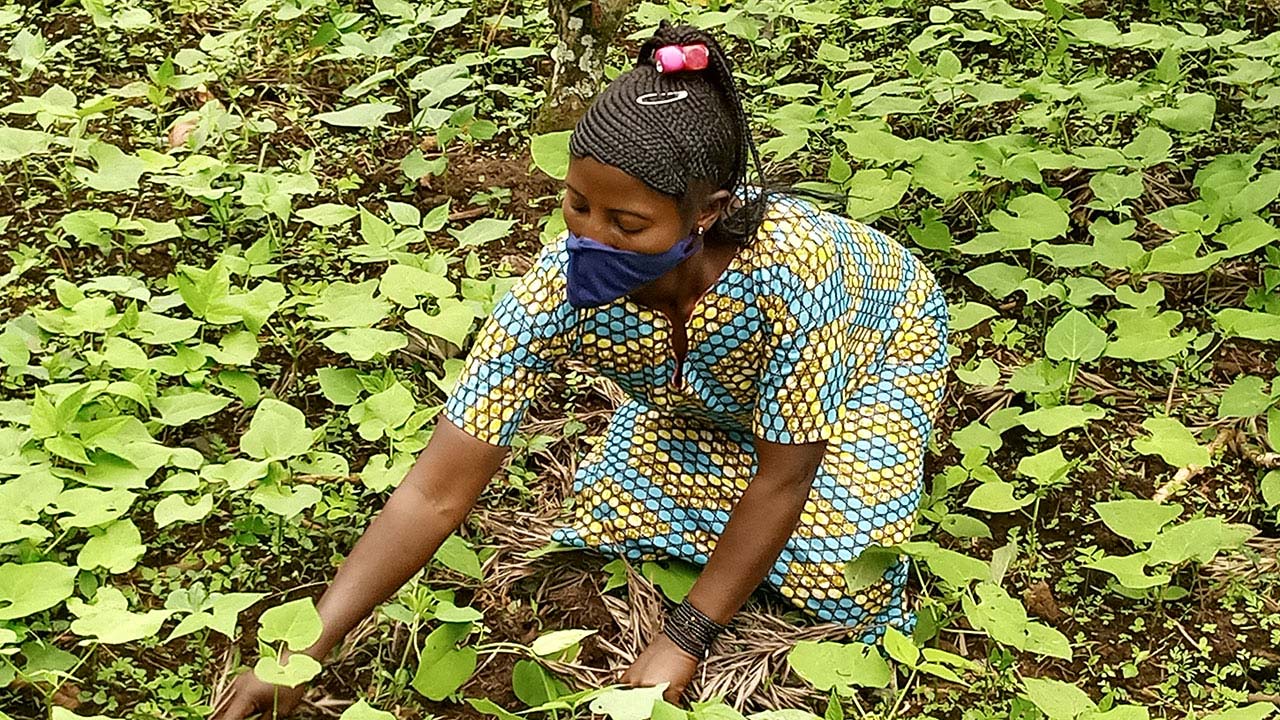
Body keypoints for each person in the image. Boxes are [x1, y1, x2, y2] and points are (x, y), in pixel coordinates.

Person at [211, 21, 949, 719]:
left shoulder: (795, 272)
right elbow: (437, 489)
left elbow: (785, 475)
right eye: (577, 206)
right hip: (709, 393)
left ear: (706, 212)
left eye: (626, 226)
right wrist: (303, 650)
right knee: (603, 515)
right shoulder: (558, 286)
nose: (591, 238)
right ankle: (709, 444)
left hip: (876, 348)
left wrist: (684, 637)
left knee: (844, 574)